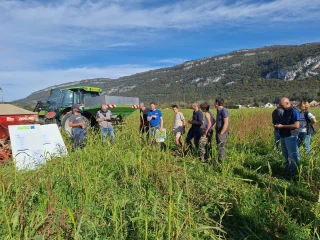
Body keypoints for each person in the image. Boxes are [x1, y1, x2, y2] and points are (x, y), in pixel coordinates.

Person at [274, 97, 300, 178]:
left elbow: (296, 125)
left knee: (292, 155)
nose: (280, 107)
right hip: (283, 136)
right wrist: (279, 126)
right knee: (285, 154)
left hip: (291, 136)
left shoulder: (294, 111)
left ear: (287, 103)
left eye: (282, 105)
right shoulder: (285, 111)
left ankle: (293, 172)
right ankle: (287, 169)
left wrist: (282, 126)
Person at [215, 97, 229, 162]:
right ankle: (221, 159)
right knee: (219, 147)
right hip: (218, 131)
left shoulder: (224, 110)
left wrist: (221, 133)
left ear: (218, 103)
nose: (215, 104)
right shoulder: (218, 110)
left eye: (215, 102)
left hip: (222, 132)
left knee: (221, 147)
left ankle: (221, 162)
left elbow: (226, 123)